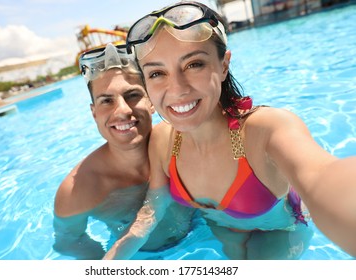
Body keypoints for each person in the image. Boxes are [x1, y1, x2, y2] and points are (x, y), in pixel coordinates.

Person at [104, 2, 356, 259]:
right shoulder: (161, 140)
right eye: (157, 73)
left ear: (223, 65)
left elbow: (322, 178)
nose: (177, 89)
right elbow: (151, 212)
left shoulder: (266, 130)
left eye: (194, 64)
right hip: (223, 230)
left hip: (280, 232)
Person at [53, 43, 194, 259]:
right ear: (94, 113)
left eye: (133, 95)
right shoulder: (77, 190)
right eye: (107, 101)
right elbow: (70, 242)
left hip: (202, 238)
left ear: (152, 101)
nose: (123, 110)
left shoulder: (186, 143)